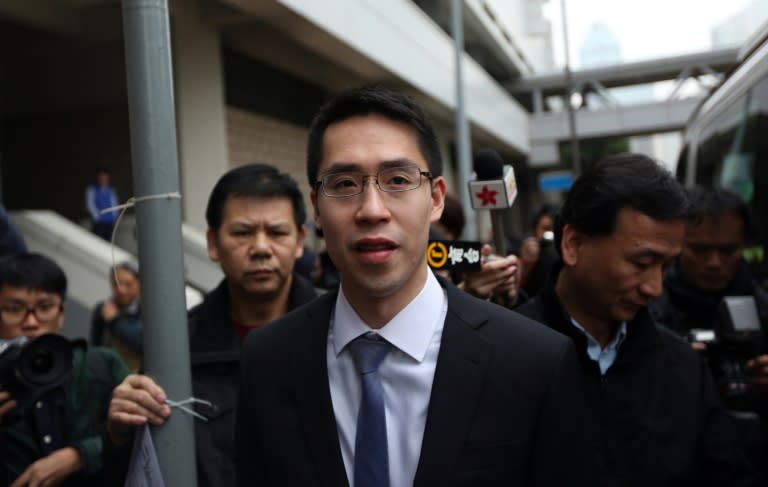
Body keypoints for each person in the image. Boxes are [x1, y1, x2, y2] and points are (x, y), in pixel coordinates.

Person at [235, 85, 596, 486]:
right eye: (343, 185)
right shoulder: (267, 360)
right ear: (316, 207)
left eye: (398, 179)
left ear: (436, 198)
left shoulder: (535, 361)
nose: (372, 209)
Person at [515, 153, 762, 486]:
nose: (654, 287)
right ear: (573, 243)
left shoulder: (683, 366)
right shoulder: (504, 357)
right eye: (642, 262)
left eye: (666, 266)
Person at [105, 164, 319, 487]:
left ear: (300, 241)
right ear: (213, 243)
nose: (261, 248)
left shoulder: (342, 331)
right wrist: (121, 432)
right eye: (243, 232)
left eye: (276, 232)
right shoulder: (177, 349)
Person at [0, 253, 129, 487]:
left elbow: (140, 440)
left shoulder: (101, 366)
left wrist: (79, 456)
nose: (31, 321)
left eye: (45, 307)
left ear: (62, 313)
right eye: (13, 308)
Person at [90, 262, 143, 371]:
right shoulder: (103, 309)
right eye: (116, 284)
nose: (121, 290)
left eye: (128, 284)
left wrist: (115, 321)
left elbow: (141, 342)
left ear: (139, 284)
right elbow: (95, 344)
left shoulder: (146, 312)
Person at [85, 169, 118, 241]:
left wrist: (114, 216)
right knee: (98, 240)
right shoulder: (92, 189)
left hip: (110, 221)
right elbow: (90, 204)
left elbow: (114, 203)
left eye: (105, 178)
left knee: (108, 240)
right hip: (99, 221)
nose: (103, 180)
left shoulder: (110, 190)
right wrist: (97, 216)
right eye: (102, 178)